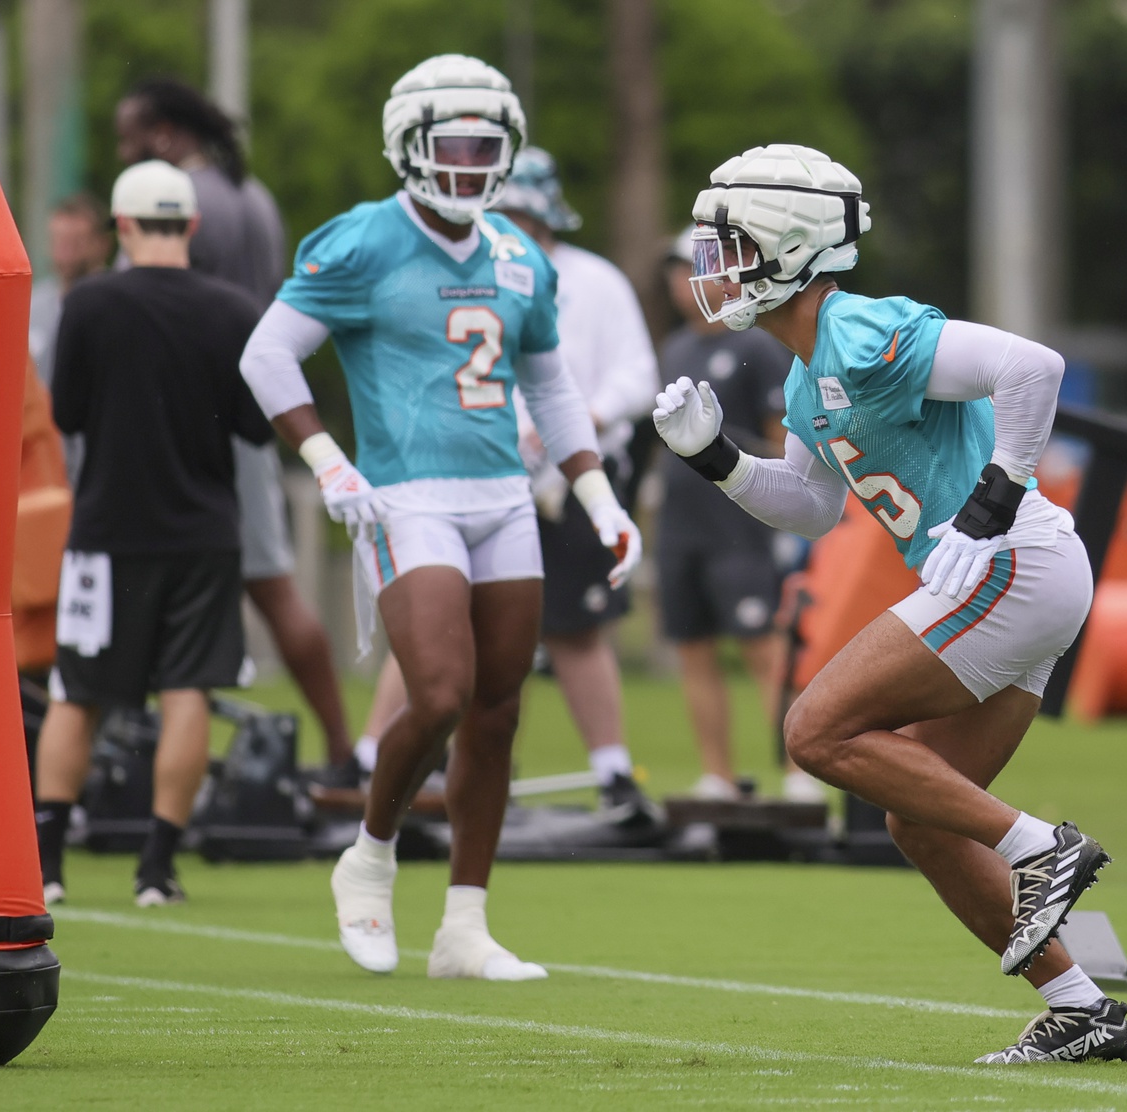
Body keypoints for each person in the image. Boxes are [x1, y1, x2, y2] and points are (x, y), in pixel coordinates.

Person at [653, 144, 1127, 1064]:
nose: (712, 269)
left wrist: (989, 505)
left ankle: (1041, 847)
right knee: (918, 817)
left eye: (730, 246)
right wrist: (715, 459)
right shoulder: (802, 374)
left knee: (813, 732)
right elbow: (813, 510)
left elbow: (1032, 367)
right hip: (1014, 574)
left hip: (1008, 558)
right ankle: (1078, 1005)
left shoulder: (859, 329)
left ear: (786, 248)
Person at [238, 55, 641, 980]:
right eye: (451, 145)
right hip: (406, 494)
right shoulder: (360, 241)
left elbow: (551, 385)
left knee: (497, 712)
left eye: (485, 147)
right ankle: (369, 858)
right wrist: (329, 461)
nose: (468, 163)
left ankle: (464, 925)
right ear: (407, 145)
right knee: (439, 694)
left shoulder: (516, 253)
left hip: (503, 496)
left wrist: (598, 496)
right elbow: (267, 356)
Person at [352, 147, 659, 823]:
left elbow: (636, 375)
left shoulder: (596, 281)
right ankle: (371, 758)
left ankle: (612, 771)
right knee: (432, 619)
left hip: (568, 483)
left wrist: (582, 425)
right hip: (470, 479)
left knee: (578, 629)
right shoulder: (457, 270)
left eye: (524, 212)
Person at [32, 161, 272, 908]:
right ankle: (156, 869)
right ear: (192, 226)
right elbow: (255, 428)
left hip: (106, 533)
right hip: (204, 532)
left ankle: (47, 868)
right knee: (186, 690)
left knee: (78, 690)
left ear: (122, 226)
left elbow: (65, 414)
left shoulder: (91, 305)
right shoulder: (234, 310)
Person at [116, 77, 356, 782]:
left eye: (128, 137)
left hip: (187, 428)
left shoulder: (176, 205)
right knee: (272, 585)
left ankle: (131, 767)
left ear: (160, 137)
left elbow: (150, 314)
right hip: (251, 418)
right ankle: (340, 749)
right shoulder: (254, 197)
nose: (123, 152)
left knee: (151, 587)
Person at [655, 226, 818, 803]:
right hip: (681, 525)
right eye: (676, 270)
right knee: (692, 648)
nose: (684, 281)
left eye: (693, 268)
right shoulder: (675, 348)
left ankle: (802, 771)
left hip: (739, 528)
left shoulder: (755, 345)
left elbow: (787, 444)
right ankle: (717, 775)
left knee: (761, 646)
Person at [29, 193, 112, 390]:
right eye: (58, 241)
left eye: (75, 243)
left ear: (102, 244)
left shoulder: (115, 305)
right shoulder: (33, 304)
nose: (64, 254)